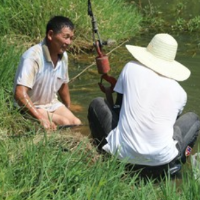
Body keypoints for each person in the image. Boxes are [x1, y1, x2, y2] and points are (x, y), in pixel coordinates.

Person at [88, 33, 200, 177]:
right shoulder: (180, 92)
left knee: (97, 103)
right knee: (194, 119)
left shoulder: (130, 68)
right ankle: (180, 161)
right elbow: (168, 126)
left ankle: (103, 156)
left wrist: (109, 95)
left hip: (122, 158)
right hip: (162, 164)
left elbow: (118, 109)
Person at [14, 16, 81, 131]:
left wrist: (68, 107)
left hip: (51, 104)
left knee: (76, 123)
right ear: (50, 35)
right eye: (65, 37)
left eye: (71, 38)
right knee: (64, 122)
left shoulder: (63, 56)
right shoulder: (33, 57)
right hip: (31, 106)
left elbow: (63, 84)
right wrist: (40, 118)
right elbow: (20, 94)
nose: (68, 42)